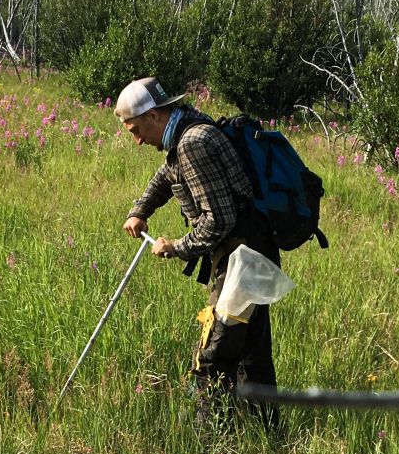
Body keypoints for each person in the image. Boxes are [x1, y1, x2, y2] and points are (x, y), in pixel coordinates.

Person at [116, 76, 280, 432]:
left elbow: (218, 221)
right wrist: (141, 209)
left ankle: (208, 447)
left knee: (212, 357)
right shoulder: (187, 128)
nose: (137, 139)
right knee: (252, 356)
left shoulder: (193, 143)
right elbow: (167, 175)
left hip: (242, 262)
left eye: (135, 129)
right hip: (251, 255)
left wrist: (175, 247)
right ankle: (269, 438)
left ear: (155, 115)